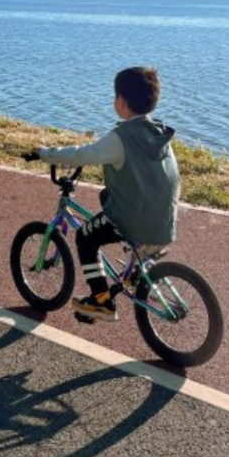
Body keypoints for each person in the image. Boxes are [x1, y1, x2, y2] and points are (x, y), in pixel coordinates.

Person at [29, 66, 180, 322]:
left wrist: (46, 153)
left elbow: (83, 154)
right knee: (105, 196)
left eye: (114, 97)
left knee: (86, 238)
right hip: (165, 219)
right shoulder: (158, 133)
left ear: (121, 102)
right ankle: (136, 266)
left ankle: (101, 300)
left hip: (136, 219)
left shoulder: (120, 138)